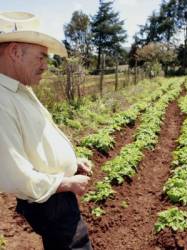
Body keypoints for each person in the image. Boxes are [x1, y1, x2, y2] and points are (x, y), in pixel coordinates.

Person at [0, 12, 93, 249]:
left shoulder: (18, 89)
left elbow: (36, 139)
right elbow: (16, 176)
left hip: (54, 193)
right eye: (41, 57)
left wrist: (71, 162)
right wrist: (66, 184)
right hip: (50, 200)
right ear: (15, 52)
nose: (46, 65)